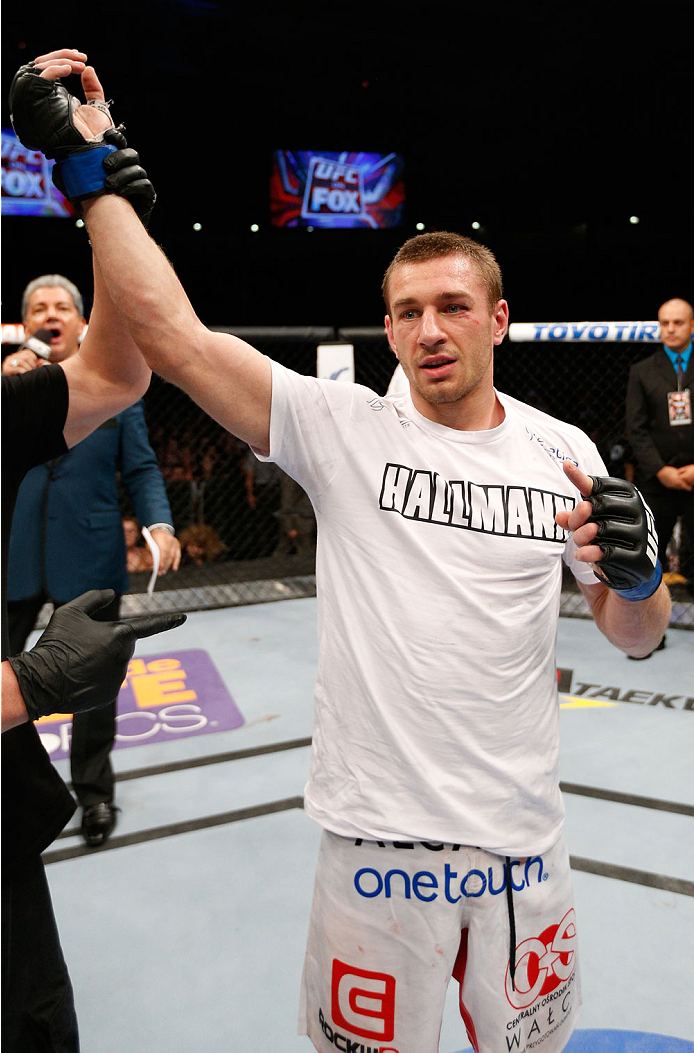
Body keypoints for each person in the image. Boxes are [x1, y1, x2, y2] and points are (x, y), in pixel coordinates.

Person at [14, 51, 671, 1053]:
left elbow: (634, 637)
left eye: (453, 307)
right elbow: (176, 341)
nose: (429, 330)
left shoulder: (566, 453)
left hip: (521, 843)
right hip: (372, 847)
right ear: (388, 328)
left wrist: (637, 575)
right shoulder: (343, 428)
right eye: (407, 312)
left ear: (498, 319)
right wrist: (93, 181)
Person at [1, 69, 186, 1047]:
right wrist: (19, 685)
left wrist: (97, 191)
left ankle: (98, 792)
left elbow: (122, 372)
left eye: (53, 308)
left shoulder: (22, 406)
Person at [5, 274, 181, 848]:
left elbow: (141, 467)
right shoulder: (7, 384)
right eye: (38, 307)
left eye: (61, 306)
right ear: (24, 324)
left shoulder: (115, 388)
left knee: (94, 680)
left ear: (81, 323)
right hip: (14, 553)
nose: (49, 314)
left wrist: (158, 523)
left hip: (90, 552)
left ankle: (95, 794)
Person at [626, 297, 694, 617]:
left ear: (691, 326)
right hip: (658, 481)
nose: (670, 329)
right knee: (651, 561)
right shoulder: (641, 371)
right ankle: (650, 631)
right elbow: (635, 429)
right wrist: (661, 470)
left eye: (677, 322)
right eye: (664, 323)